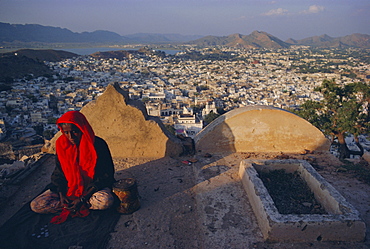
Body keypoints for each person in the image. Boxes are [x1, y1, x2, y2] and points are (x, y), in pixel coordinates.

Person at [30, 111, 116, 223]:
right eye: (66, 132)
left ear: (82, 128)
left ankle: (77, 205)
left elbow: (106, 174)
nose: (70, 136)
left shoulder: (97, 144)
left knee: (106, 201)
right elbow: (59, 172)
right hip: (69, 189)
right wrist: (61, 195)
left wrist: (83, 198)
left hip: (92, 188)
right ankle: (71, 206)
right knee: (36, 205)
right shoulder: (62, 145)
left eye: (75, 132)